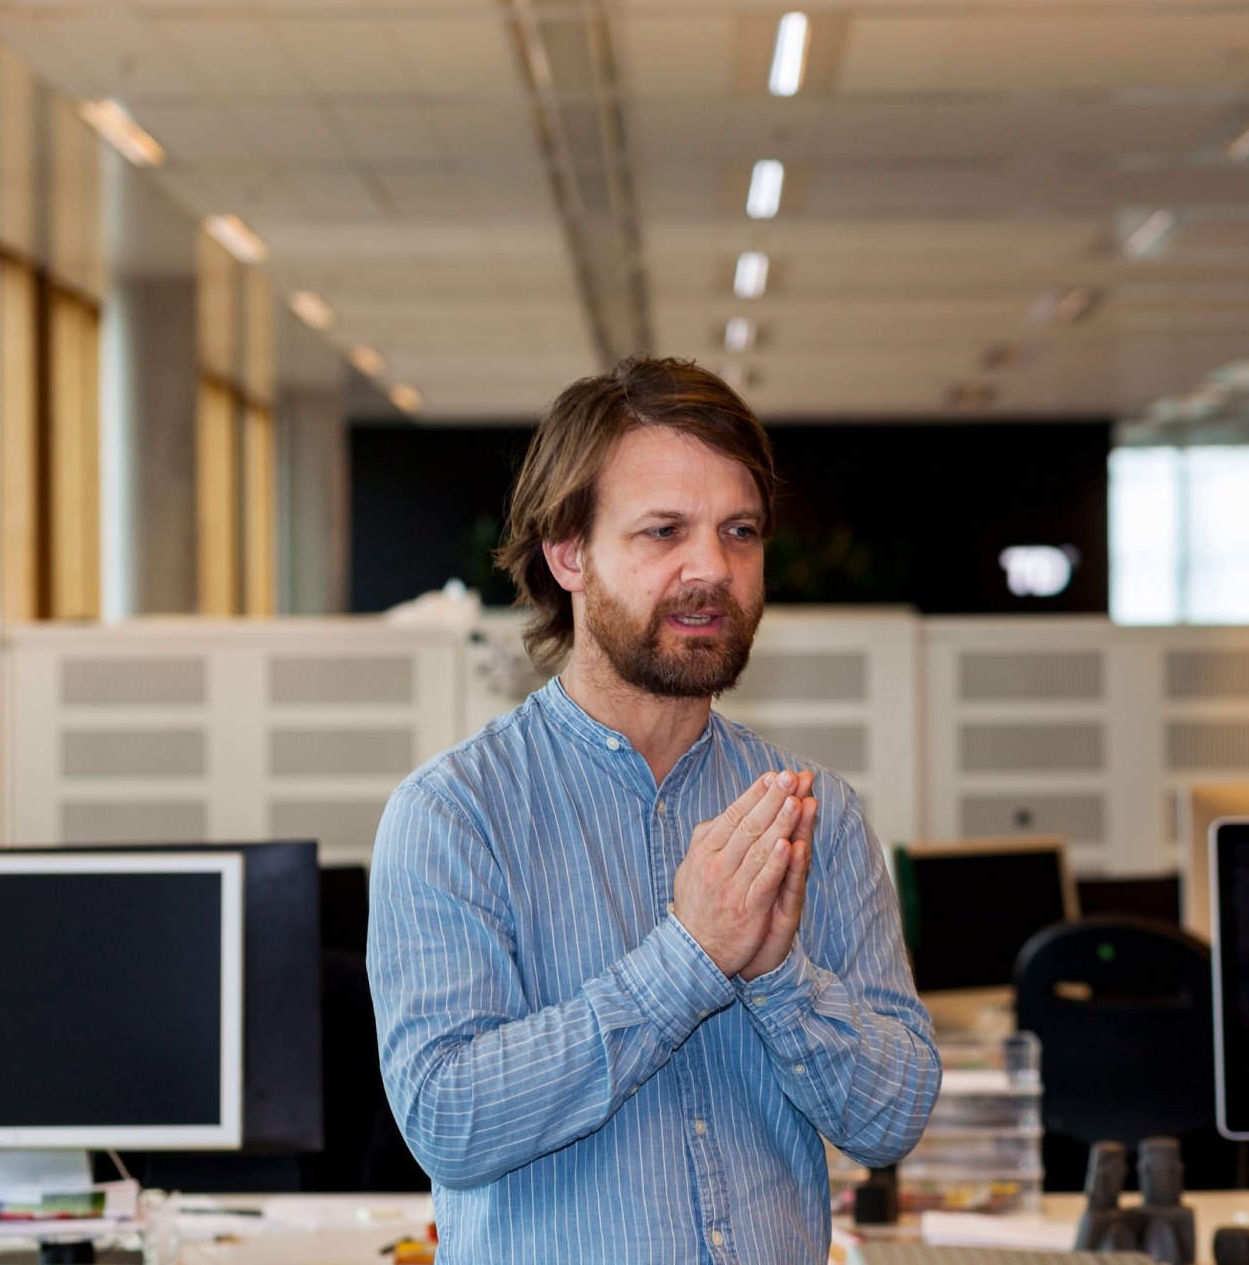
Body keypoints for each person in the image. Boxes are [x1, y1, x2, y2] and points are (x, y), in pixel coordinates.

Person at [367, 357, 941, 1263]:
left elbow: (892, 1119)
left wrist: (778, 974)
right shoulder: (455, 815)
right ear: (568, 554)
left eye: (739, 532)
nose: (712, 568)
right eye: (664, 531)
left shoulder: (811, 809)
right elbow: (450, 1120)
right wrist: (690, 958)